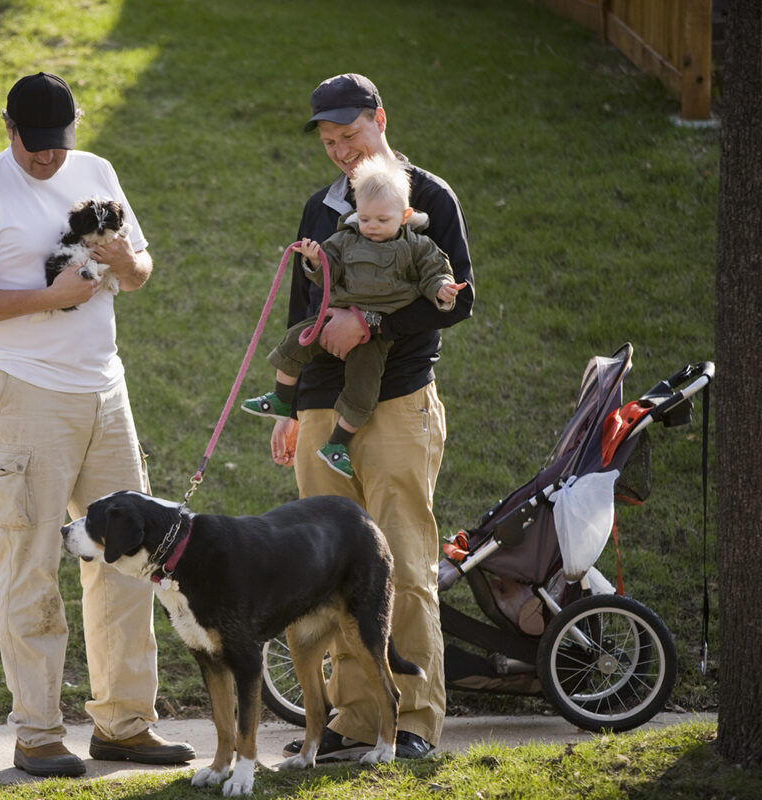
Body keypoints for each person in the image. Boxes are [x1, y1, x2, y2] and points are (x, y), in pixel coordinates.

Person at [0, 71, 194, 779]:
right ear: (8, 130)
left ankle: (124, 727)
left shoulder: (95, 170)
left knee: (129, 560)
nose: (49, 159)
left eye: (58, 145)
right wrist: (47, 296)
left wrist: (123, 261)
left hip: (107, 389)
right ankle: (39, 733)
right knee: (30, 562)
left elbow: (140, 270)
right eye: (35, 147)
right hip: (26, 395)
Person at [271, 73, 475, 761]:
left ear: (380, 119)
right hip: (321, 408)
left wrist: (370, 320)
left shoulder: (429, 198)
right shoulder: (318, 208)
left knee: (403, 561)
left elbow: (458, 298)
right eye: (329, 140)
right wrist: (291, 406)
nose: (340, 151)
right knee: (328, 571)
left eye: (350, 135)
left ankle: (412, 720)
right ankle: (355, 719)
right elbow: (300, 313)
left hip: (396, 403)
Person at [241, 153, 464, 478]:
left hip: (375, 332)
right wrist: (315, 260)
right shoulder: (345, 238)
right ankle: (281, 397)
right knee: (295, 340)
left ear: (404, 216)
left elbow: (434, 274)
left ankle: (337, 444)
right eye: (365, 217)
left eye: (382, 220)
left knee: (363, 388)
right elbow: (325, 273)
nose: (372, 226)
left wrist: (442, 287)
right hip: (333, 318)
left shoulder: (417, 247)